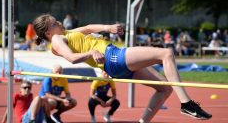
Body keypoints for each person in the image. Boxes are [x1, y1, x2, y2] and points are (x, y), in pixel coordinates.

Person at [33, 14, 212, 123]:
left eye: (56, 20)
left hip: (114, 61)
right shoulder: (57, 40)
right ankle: (187, 104)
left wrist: (107, 28)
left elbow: (87, 28)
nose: (59, 23)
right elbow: (71, 58)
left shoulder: (66, 34)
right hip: (112, 58)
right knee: (166, 54)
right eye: (54, 23)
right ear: (47, 33)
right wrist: (92, 51)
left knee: (164, 88)